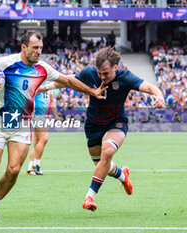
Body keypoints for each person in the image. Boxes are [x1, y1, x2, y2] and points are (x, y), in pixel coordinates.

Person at [0, 30, 106, 219]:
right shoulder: (6, 63)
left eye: (41, 48)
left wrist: (92, 92)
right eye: (35, 48)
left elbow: (67, 80)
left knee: (14, 169)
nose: (39, 51)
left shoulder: (43, 68)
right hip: (1, 120)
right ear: (24, 47)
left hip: (23, 122)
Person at [42, 47, 165, 211]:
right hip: (93, 125)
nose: (102, 77)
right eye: (99, 73)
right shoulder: (89, 73)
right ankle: (123, 176)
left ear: (116, 66)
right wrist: (43, 88)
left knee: (107, 152)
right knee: (101, 164)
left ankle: (89, 197)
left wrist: (159, 97)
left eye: (106, 73)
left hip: (116, 123)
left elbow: (150, 87)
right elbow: (68, 80)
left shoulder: (125, 77)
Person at [26, 88, 60, 175]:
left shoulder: (49, 86)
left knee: (37, 142)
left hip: (44, 117)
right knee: (44, 138)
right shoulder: (36, 84)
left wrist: (56, 116)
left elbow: (51, 101)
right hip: (37, 115)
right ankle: (36, 165)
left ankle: (30, 167)